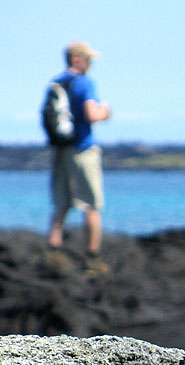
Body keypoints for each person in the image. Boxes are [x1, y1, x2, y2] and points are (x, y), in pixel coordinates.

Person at [44, 41, 111, 274]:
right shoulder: (84, 83)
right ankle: (92, 258)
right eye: (87, 59)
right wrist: (105, 112)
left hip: (61, 149)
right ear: (76, 59)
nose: (90, 64)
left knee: (62, 202)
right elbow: (91, 114)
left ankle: (53, 251)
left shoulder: (57, 82)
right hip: (83, 149)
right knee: (92, 205)